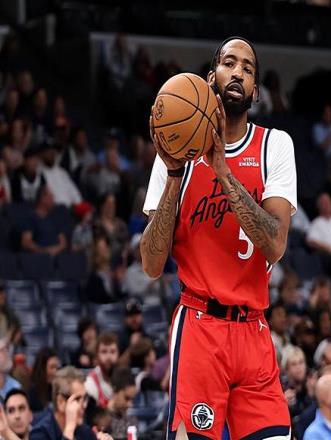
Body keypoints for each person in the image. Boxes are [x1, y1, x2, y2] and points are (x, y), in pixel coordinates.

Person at [141, 36, 296, 439]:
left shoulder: (274, 146)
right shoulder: (175, 151)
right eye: (229, 63)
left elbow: (275, 245)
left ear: (255, 91)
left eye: (248, 68)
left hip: (254, 329)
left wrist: (222, 170)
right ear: (211, 79)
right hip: (199, 326)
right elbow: (152, 265)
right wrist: (174, 174)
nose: (238, 72)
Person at [30, 367, 98, 440]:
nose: (84, 405)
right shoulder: (39, 434)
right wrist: (69, 429)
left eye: (84, 398)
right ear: (61, 402)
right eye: (77, 399)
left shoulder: (85, 432)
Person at [20, 185, 67, 256]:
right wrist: (44, 251)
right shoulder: (31, 218)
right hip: (40, 257)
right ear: (43, 199)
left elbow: (63, 242)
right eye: (51, 197)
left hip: (58, 256)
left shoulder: (55, 218)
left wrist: (56, 249)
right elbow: (26, 242)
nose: (53, 201)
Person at [84, 332, 119, 409]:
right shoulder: (91, 382)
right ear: (97, 355)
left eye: (113, 352)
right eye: (104, 352)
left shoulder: (123, 377)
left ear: (118, 354)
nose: (109, 357)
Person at [106, 366, 138, 440]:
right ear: (115, 391)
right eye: (126, 398)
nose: (130, 404)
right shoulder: (100, 420)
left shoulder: (132, 421)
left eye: (132, 399)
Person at [28, 348, 60, 412]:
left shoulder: (59, 390)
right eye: (52, 367)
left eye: (57, 367)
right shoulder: (32, 393)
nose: (55, 372)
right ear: (42, 369)